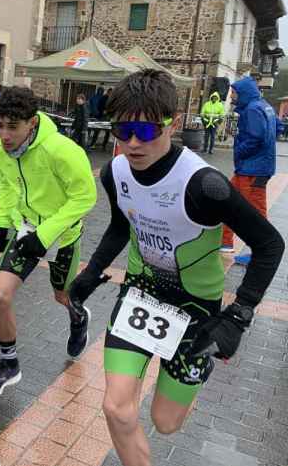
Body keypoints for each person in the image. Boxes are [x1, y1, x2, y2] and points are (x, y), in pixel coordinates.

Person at [68, 69, 284, 466]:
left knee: (165, 423)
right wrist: (90, 272)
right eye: (122, 131)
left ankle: (195, 368)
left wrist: (239, 315)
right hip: (141, 294)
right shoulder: (114, 172)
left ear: (174, 123)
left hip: (195, 307)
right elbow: (120, 225)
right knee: (117, 408)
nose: (133, 143)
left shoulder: (204, 184)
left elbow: (270, 244)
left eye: (146, 131)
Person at [0, 86, 96, 397]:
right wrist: (3, 223)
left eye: (12, 127)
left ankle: (79, 317)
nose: (4, 135)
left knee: (62, 296)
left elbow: (85, 197)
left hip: (62, 235)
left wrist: (46, 235)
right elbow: (6, 185)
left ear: (32, 122)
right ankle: (9, 364)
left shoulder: (62, 150)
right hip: (26, 229)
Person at [220, 76, 277, 265]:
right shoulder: (264, 106)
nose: (232, 96)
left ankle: (262, 252)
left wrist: (239, 151)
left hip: (252, 169)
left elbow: (256, 138)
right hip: (254, 168)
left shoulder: (252, 109)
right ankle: (225, 243)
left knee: (255, 213)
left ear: (243, 92)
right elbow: (273, 130)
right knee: (228, 202)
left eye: (234, 93)